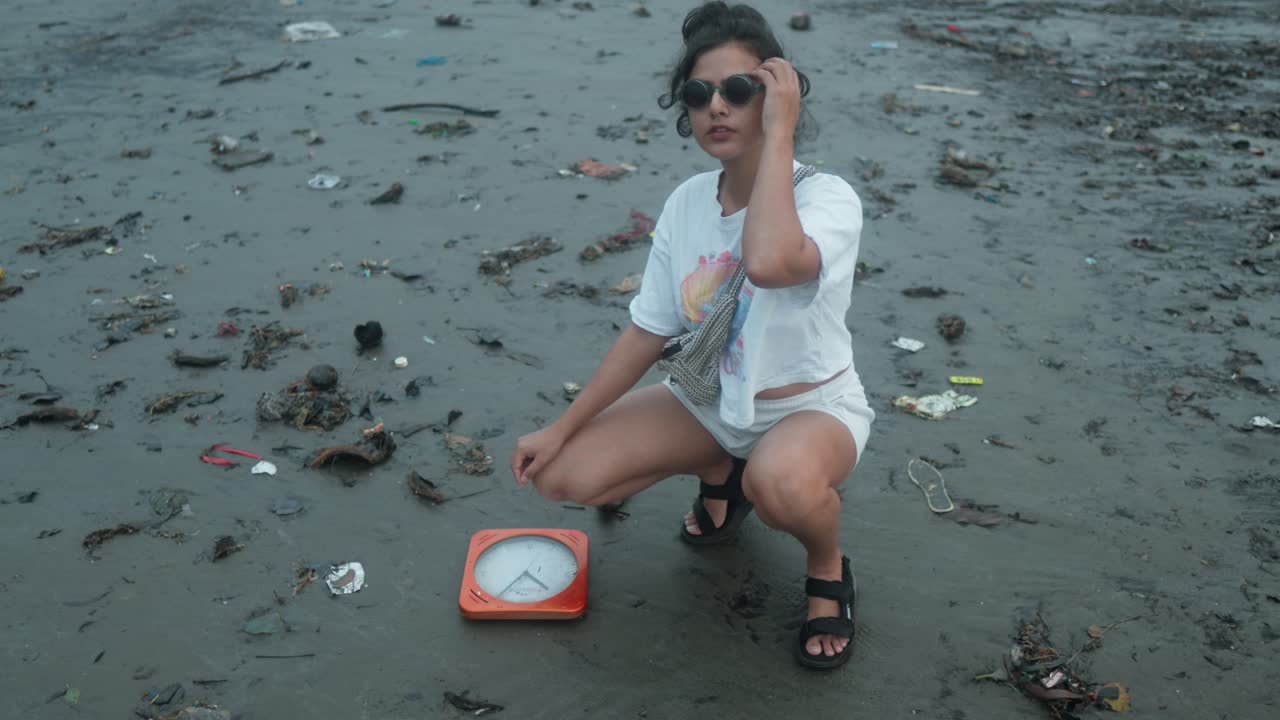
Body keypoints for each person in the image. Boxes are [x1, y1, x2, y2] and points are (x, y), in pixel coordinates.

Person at [509, 1, 873, 670]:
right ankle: (718, 470)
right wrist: (560, 427)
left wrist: (780, 135)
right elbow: (649, 331)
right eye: (699, 94)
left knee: (782, 488)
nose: (718, 108)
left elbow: (767, 262)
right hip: (711, 402)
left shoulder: (829, 200)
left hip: (810, 411)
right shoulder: (686, 203)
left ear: (775, 93)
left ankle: (827, 567)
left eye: (740, 91)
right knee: (564, 477)